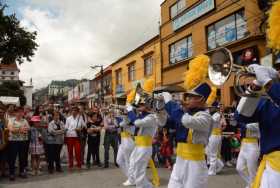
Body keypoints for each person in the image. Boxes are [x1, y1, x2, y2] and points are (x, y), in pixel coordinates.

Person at [235, 64, 280, 188]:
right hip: (270, 165)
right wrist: (254, 89)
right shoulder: (268, 101)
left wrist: (268, 82)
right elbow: (241, 116)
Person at [161, 82, 213, 188]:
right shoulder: (184, 113)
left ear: (201, 99)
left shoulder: (206, 117)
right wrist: (159, 110)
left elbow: (187, 121)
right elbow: (164, 123)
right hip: (180, 160)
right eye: (187, 96)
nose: (187, 99)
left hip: (195, 163)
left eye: (191, 96)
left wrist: (170, 103)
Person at [7, 107, 30, 181]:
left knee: (22, 157)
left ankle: (21, 172)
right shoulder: (11, 120)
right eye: (18, 112)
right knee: (12, 158)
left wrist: (17, 129)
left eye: (21, 112)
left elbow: (27, 129)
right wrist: (20, 129)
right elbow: (11, 129)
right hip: (13, 141)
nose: (20, 113)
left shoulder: (25, 120)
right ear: (15, 113)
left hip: (23, 141)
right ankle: (12, 173)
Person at [236, 122, 260, 188]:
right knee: (239, 168)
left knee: (252, 170)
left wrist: (241, 122)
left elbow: (249, 126)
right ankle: (252, 184)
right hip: (244, 144)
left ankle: (253, 185)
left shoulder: (257, 119)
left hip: (252, 145)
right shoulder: (244, 120)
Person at [206, 103, 226, 175]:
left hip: (215, 135)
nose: (209, 109)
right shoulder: (213, 114)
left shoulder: (217, 115)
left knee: (213, 154)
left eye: (210, 107)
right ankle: (220, 164)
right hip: (211, 135)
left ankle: (212, 171)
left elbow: (210, 121)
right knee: (208, 152)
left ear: (215, 108)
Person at [116, 111, 135, 186]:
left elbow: (122, 123)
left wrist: (118, 115)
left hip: (129, 141)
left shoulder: (132, 115)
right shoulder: (125, 115)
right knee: (119, 160)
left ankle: (131, 179)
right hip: (123, 140)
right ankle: (132, 177)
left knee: (128, 162)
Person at [0, 103, 8, 178]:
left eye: (2, 112)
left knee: (3, 158)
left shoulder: (4, 120)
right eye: (0, 112)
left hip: (3, 141)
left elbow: (5, 130)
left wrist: (4, 142)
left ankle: (3, 172)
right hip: (2, 141)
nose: (1, 113)